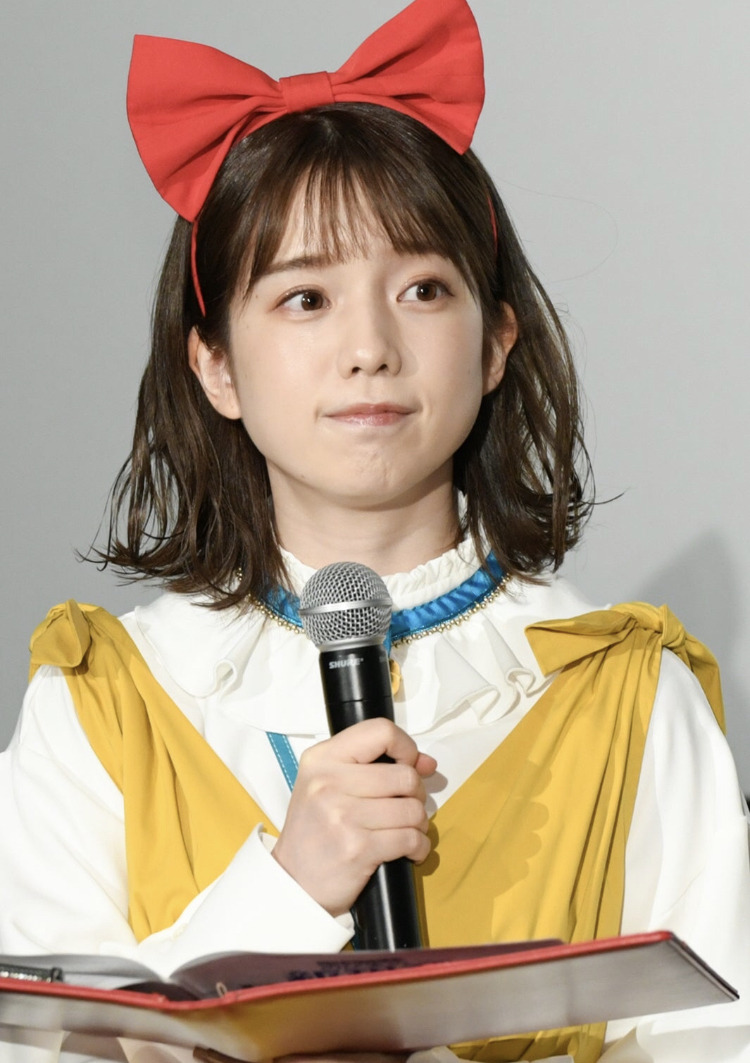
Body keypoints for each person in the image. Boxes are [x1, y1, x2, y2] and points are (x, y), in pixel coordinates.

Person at [1, 0, 748, 1061]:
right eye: (305, 298)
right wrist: (288, 887)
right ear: (214, 364)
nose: (370, 347)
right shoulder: (102, 706)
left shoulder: (631, 699)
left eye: (423, 288)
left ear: (495, 343)